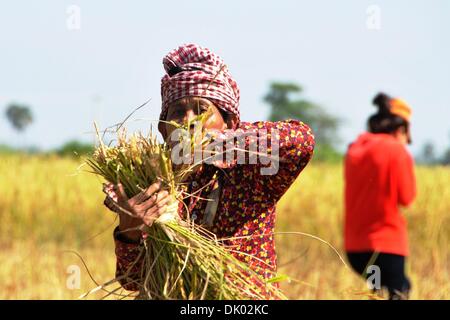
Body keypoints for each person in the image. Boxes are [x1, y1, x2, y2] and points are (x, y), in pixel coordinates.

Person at [103, 43, 315, 299]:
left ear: (229, 121)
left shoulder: (250, 170)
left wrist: (217, 144)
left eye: (201, 110)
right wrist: (130, 228)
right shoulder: (149, 183)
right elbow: (132, 281)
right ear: (163, 128)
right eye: (178, 111)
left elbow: (301, 141)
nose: (188, 121)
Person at [344, 92, 416, 300]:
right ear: (401, 129)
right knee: (399, 291)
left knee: (378, 292)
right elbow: (407, 197)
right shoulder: (397, 151)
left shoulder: (354, 149)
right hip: (387, 247)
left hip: (356, 250)